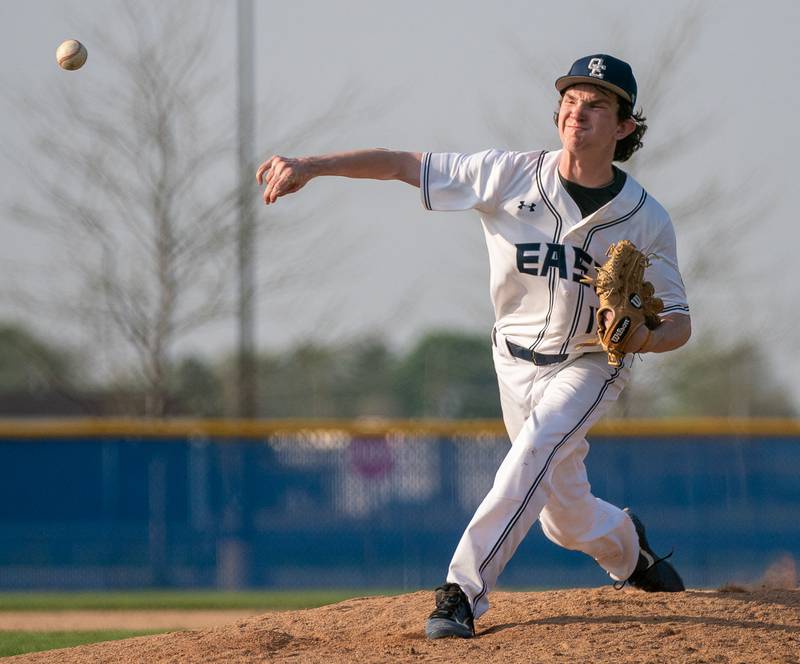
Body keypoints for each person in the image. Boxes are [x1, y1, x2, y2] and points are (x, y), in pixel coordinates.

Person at [256, 53, 691, 639]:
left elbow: (679, 322)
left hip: (591, 363)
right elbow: (401, 164)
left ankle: (463, 590)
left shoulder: (645, 218)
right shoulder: (508, 175)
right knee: (563, 519)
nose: (576, 112)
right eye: (569, 100)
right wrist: (310, 165)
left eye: (596, 105)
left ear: (624, 127)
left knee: (533, 448)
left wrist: (646, 334)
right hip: (512, 360)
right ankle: (627, 547)